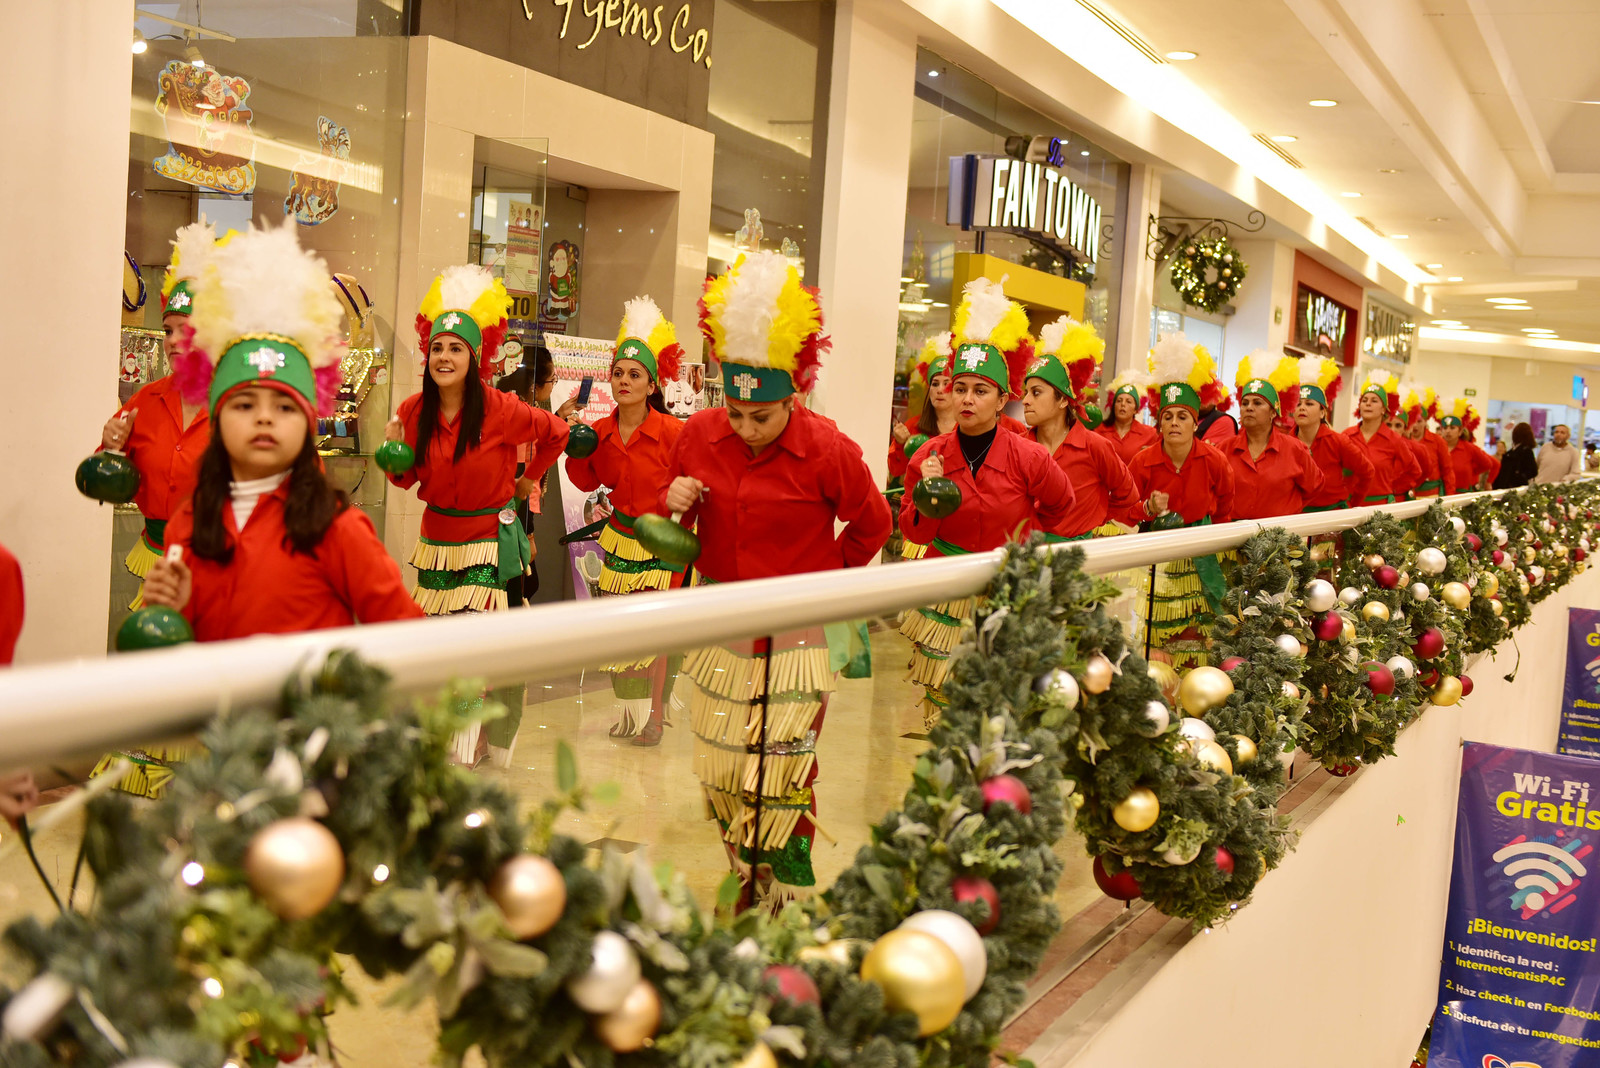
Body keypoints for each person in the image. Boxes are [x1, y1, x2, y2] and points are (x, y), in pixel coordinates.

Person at [664, 250, 891, 909]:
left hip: (799, 634)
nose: (744, 428)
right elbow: (665, 510)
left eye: (759, 417)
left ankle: (783, 883)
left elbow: (872, 523)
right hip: (722, 624)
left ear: (792, 397)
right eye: (734, 413)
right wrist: (673, 499)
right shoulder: (701, 434)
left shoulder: (828, 448)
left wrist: (831, 587)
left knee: (783, 760)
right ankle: (742, 867)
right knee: (723, 759)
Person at [384, 264, 570, 766]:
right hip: (436, 544)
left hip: (489, 540)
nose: (444, 357)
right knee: (439, 648)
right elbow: (406, 481)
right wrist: (392, 454)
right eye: (437, 348)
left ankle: (467, 743)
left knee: (474, 648)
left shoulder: (501, 409)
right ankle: (452, 736)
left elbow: (557, 432)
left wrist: (530, 478)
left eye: (455, 348)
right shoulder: (411, 410)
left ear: (475, 356)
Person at [901, 279, 1075, 726]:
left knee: (1002, 705)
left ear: (1003, 399)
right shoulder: (928, 455)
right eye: (960, 388)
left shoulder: (1029, 455)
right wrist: (925, 494)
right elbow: (914, 530)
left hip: (1008, 593)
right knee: (946, 706)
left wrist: (1027, 545)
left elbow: (1061, 505)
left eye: (981, 391)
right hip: (949, 592)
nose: (967, 399)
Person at [564, 297, 686, 747]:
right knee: (623, 631)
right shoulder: (600, 432)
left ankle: (654, 717)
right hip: (619, 539)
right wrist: (573, 442)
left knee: (654, 633)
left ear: (652, 385)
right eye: (618, 373)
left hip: (662, 542)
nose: (624, 381)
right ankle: (631, 715)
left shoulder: (674, 434)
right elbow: (584, 477)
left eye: (635, 374)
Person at [97, 221, 216, 608]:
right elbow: (105, 483)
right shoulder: (146, 401)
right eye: (168, 330)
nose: (174, 342)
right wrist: (110, 449)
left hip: (219, 564)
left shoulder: (239, 405)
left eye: (188, 330)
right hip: (157, 561)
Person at [1130, 333, 1236, 667]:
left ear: (1195, 422)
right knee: (1151, 631)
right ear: (1159, 422)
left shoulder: (1214, 459)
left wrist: (1212, 541)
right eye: (1168, 416)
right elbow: (1123, 508)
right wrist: (1147, 508)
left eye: (1182, 416)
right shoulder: (1141, 460)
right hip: (1154, 556)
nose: (1174, 423)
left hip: (1198, 555)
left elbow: (1227, 505)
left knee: (1196, 633)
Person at [1020, 316, 1139, 539]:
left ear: (1063, 400)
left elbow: (1128, 493)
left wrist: (1096, 517)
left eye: (1036, 393)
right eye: (1026, 392)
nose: (1025, 400)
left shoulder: (1095, 446)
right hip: (1025, 557)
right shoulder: (1018, 445)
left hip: (1078, 558)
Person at [1221, 352, 1323, 519]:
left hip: (1279, 536)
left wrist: (1289, 508)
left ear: (1273, 412)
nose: (1249, 408)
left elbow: (1315, 486)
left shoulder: (1295, 449)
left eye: (1257, 403)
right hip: (1233, 536)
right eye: (1245, 403)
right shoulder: (1225, 448)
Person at [1288, 355, 1373, 511]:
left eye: (1309, 404)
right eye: (1298, 404)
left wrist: (1353, 504)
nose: (1302, 408)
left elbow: (1367, 471)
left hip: (1332, 517)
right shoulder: (1285, 442)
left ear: (1322, 413)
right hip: (1296, 517)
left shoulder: (1338, 441)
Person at [1343, 372, 1421, 503]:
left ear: (1383, 409)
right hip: (1350, 505)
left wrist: (1393, 488)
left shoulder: (1394, 439)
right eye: (1364, 400)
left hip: (1380, 507)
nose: (1368, 404)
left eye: (1374, 401)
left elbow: (1414, 470)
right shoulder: (1346, 435)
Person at [1400, 384, 1455, 498]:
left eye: (1419, 421)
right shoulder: (1402, 441)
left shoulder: (1437, 441)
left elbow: (1447, 471)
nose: (1415, 425)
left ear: (1425, 421)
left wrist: (1450, 498)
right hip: (1408, 494)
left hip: (1432, 495)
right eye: (1413, 420)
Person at [1095, 373, 1159, 465]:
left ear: (1136, 410)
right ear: (1113, 406)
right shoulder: (1098, 430)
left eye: (1128, 401)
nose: (1123, 404)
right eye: (1119, 401)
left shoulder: (1150, 434)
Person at [1436, 399, 1499, 492]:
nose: (1448, 431)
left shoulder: (1469, 448)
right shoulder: (1437, 446)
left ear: (1460, 431)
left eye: (1452, 428)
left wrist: (1471, 472)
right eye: (1445, 428)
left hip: (1461, 494)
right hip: (1441, 494)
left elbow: (1488, 464)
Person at [1492, 422, 1540, 489]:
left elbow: (1533, 471)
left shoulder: (1525, 451)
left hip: (1515, 487)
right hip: (1508, 486)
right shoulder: (1512, 451)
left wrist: (1519, 476)